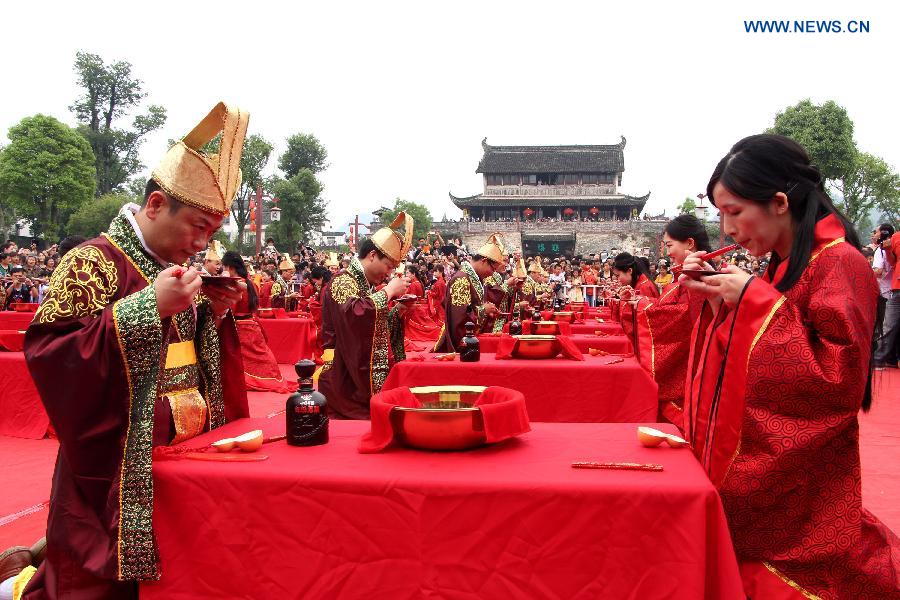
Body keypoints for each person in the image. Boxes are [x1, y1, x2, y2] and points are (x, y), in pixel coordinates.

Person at [5, 102, 251, 599]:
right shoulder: (93, 260)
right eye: (197, 227)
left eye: (212, 232)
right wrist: (146, 307)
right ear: (157, 205)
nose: (203, 244)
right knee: (97, 582)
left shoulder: (179, 268)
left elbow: (190, 356)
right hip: (115, 459)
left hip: (184, 446)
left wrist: (216, 314)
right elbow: (54, 354)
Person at [680, 134, 899, 598]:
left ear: (780, 202)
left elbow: (836, 378)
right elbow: (746, 350)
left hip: (803, 485)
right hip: (770, 476)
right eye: (720, 214)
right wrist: (713, 297)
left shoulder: (839, 263)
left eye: (735, 212)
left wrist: (754, 304)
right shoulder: (781, 266)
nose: (727, 229)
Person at [318, 213, 413, 419]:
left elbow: (367, 324)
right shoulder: (344, 281)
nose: (388, 274)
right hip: (342, 378)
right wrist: (388, 291)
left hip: (354, 373)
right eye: (388, 266)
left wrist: (397, 312)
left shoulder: (363, 284)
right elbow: (354, 316)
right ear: (372, 255)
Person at [631, 214, 712, 426]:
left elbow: (687, 319)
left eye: (670, 245)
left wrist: (641, 307)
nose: (668, 253)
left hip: (695, 370)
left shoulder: (700, 276)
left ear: (690, 243)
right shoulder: (686, 277)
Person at [223, 250, 294, 393]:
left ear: (230, 267)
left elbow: (230, 309)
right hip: (252, 324)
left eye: (225, 267)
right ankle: (272, 377)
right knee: (261, 355)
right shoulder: (251, 283)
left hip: (239, 326)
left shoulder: (235, 284)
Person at [433, 234, 504, 351]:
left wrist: (487, 311)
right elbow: (459, 318)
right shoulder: (462, 279)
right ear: (484, 261)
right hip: (462, 345)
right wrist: (483, 310)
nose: (493, 273)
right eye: (493, 269)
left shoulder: (475, 278)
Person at [873, 223, 898, 368]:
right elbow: (892, 264)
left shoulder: (882, 249)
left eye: (876, 232)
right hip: (892, 289)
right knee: (891, 326)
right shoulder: (893, 245)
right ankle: (890, 357)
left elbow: (879, 270)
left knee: (884, 326)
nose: (874, 235)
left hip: (887, 292)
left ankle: (879, 358)